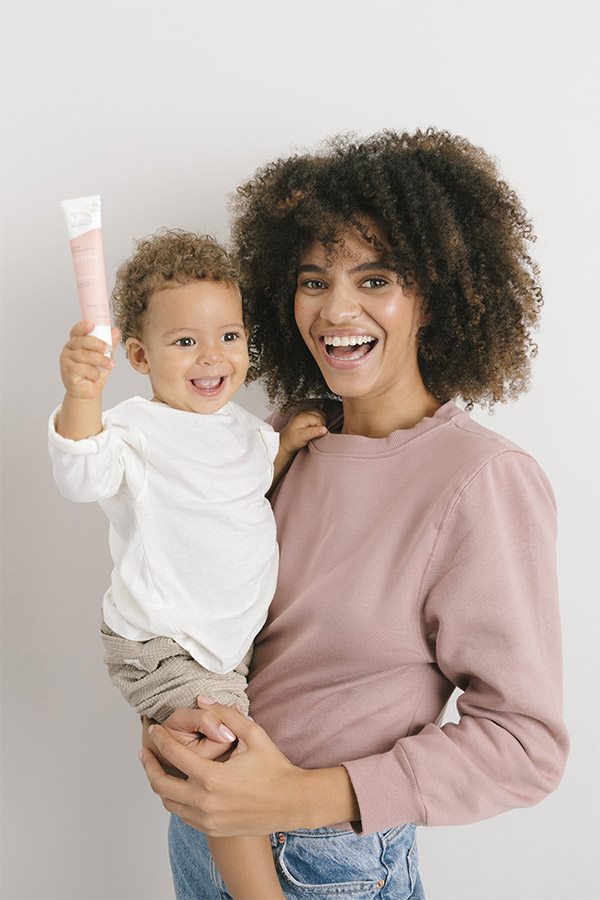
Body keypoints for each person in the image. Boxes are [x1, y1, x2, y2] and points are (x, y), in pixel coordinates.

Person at [138, 130, 570, 900]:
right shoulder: (273, 444)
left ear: (433, 294)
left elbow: (525, 744)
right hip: (200, 835)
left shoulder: (480, 481)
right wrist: (167, 722)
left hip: (324, 865)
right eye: (313, 280)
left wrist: (297, 798)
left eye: (376, 279)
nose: (337, 309)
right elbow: (191, 607)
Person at [48, 230, 327, 900]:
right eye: (185, 343)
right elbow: (81, 474)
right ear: (140, 355)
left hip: (224, 648)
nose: (212, 357)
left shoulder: (241, 430)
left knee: (226, 752)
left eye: (229, 336)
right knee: (223, 760)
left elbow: (250, 483)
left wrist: (285, 447)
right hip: (165, 641)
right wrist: (81, 395)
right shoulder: (135, 431)